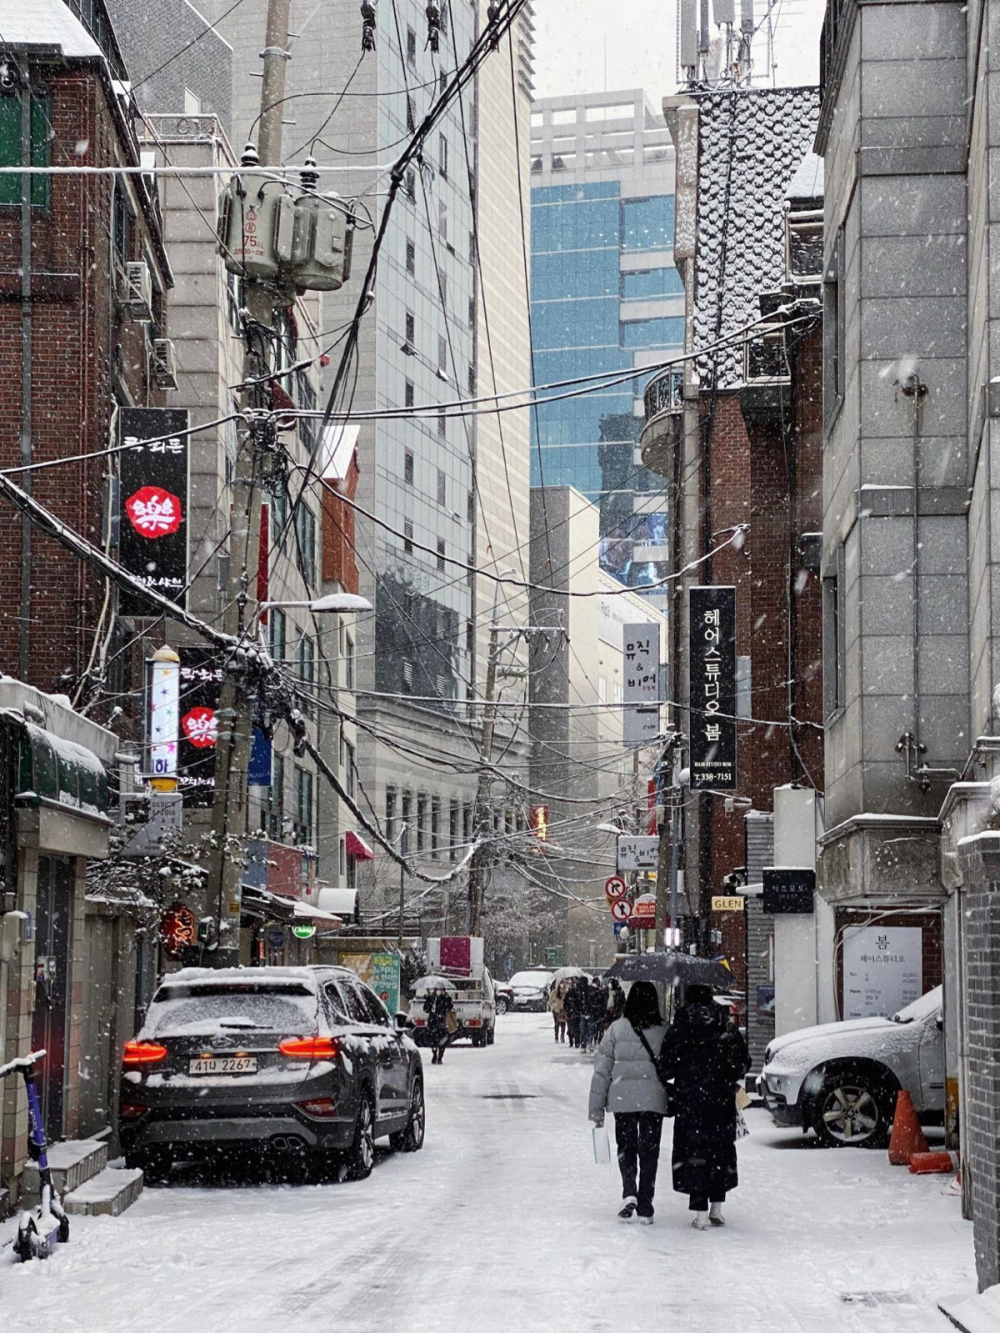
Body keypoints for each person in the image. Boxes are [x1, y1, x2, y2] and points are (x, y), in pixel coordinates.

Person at [658, 982, 751, 1230]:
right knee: (719, 1150)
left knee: (694, 1153)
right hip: (720, 1100)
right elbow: (742, 1063)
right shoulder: (726, 1028)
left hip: (690, 1101)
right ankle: (717, 1208)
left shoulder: (679, 1029)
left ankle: (699, 1212)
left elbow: (665, 1067)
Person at [588, 981, 669, 1224]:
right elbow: (674, 1063)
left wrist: (596, 1109)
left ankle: (629, 1191)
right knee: (650, 1152)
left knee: (627, 1147)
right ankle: (646, 1203)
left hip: (622, 1099)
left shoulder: (615, 1030)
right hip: (653, 1100)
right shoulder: (664, 1029)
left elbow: (602, 1072)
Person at [423, 984, 455, 1065]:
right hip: (432, 1022)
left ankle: (440, 1056)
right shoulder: (431, 998)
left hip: (442, 1022)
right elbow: (425, 1009)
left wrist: (446, 1001)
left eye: (441, 989)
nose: (439, 991)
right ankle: (434, 1054)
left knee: (443, 1040)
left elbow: (450, 1007)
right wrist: (431, 1006)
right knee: (433, 1040)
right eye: (438, 989)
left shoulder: (446, 998)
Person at [586, 977, 607, 1053]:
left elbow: (603, 1002)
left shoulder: (601, 992)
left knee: (599, 1029)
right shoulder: (591, 991)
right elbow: (589, 1002)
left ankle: (597, 1043)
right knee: (594, 1029)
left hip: (598, 1013)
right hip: (595, 1013)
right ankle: (593, 1043)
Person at [564, 976, 583, 1048]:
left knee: (574, 1028)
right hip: (572, 1012)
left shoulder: (577, 993)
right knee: (572, 1028)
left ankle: (575, 1041)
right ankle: (573, 1041)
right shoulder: (569, 993)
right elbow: (565, 1003)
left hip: (574, 1012)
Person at [548, 978, 568, 1043]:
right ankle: (556, 1037)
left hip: (563, 1010)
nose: (562, 985)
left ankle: (562, 1036)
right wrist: (554, 1006)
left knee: (563, 1023)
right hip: (556, 1010)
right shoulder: (554, 993)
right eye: (560, 983)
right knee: (557, 1023)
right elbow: (550, 1002)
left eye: (563, 983)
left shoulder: (566, 992)